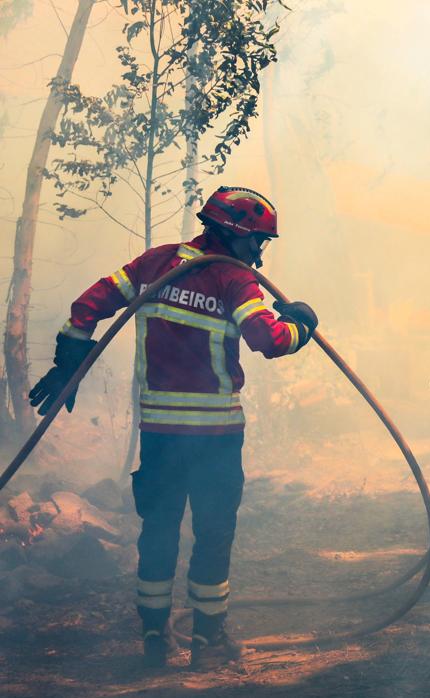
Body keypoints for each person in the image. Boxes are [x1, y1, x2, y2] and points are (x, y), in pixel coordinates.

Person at [28, 186, 319, 669]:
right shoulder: (234, 279)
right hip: (216, 436)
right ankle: (207, 642)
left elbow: (88, 304)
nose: (260, 251)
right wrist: (300, 327)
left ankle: (154, 638)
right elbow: (268, 339)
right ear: (233, 233)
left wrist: (70, 356)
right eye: (258, 241)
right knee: (213, 533)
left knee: (158, 530)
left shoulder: (157, 262)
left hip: (160, 432)